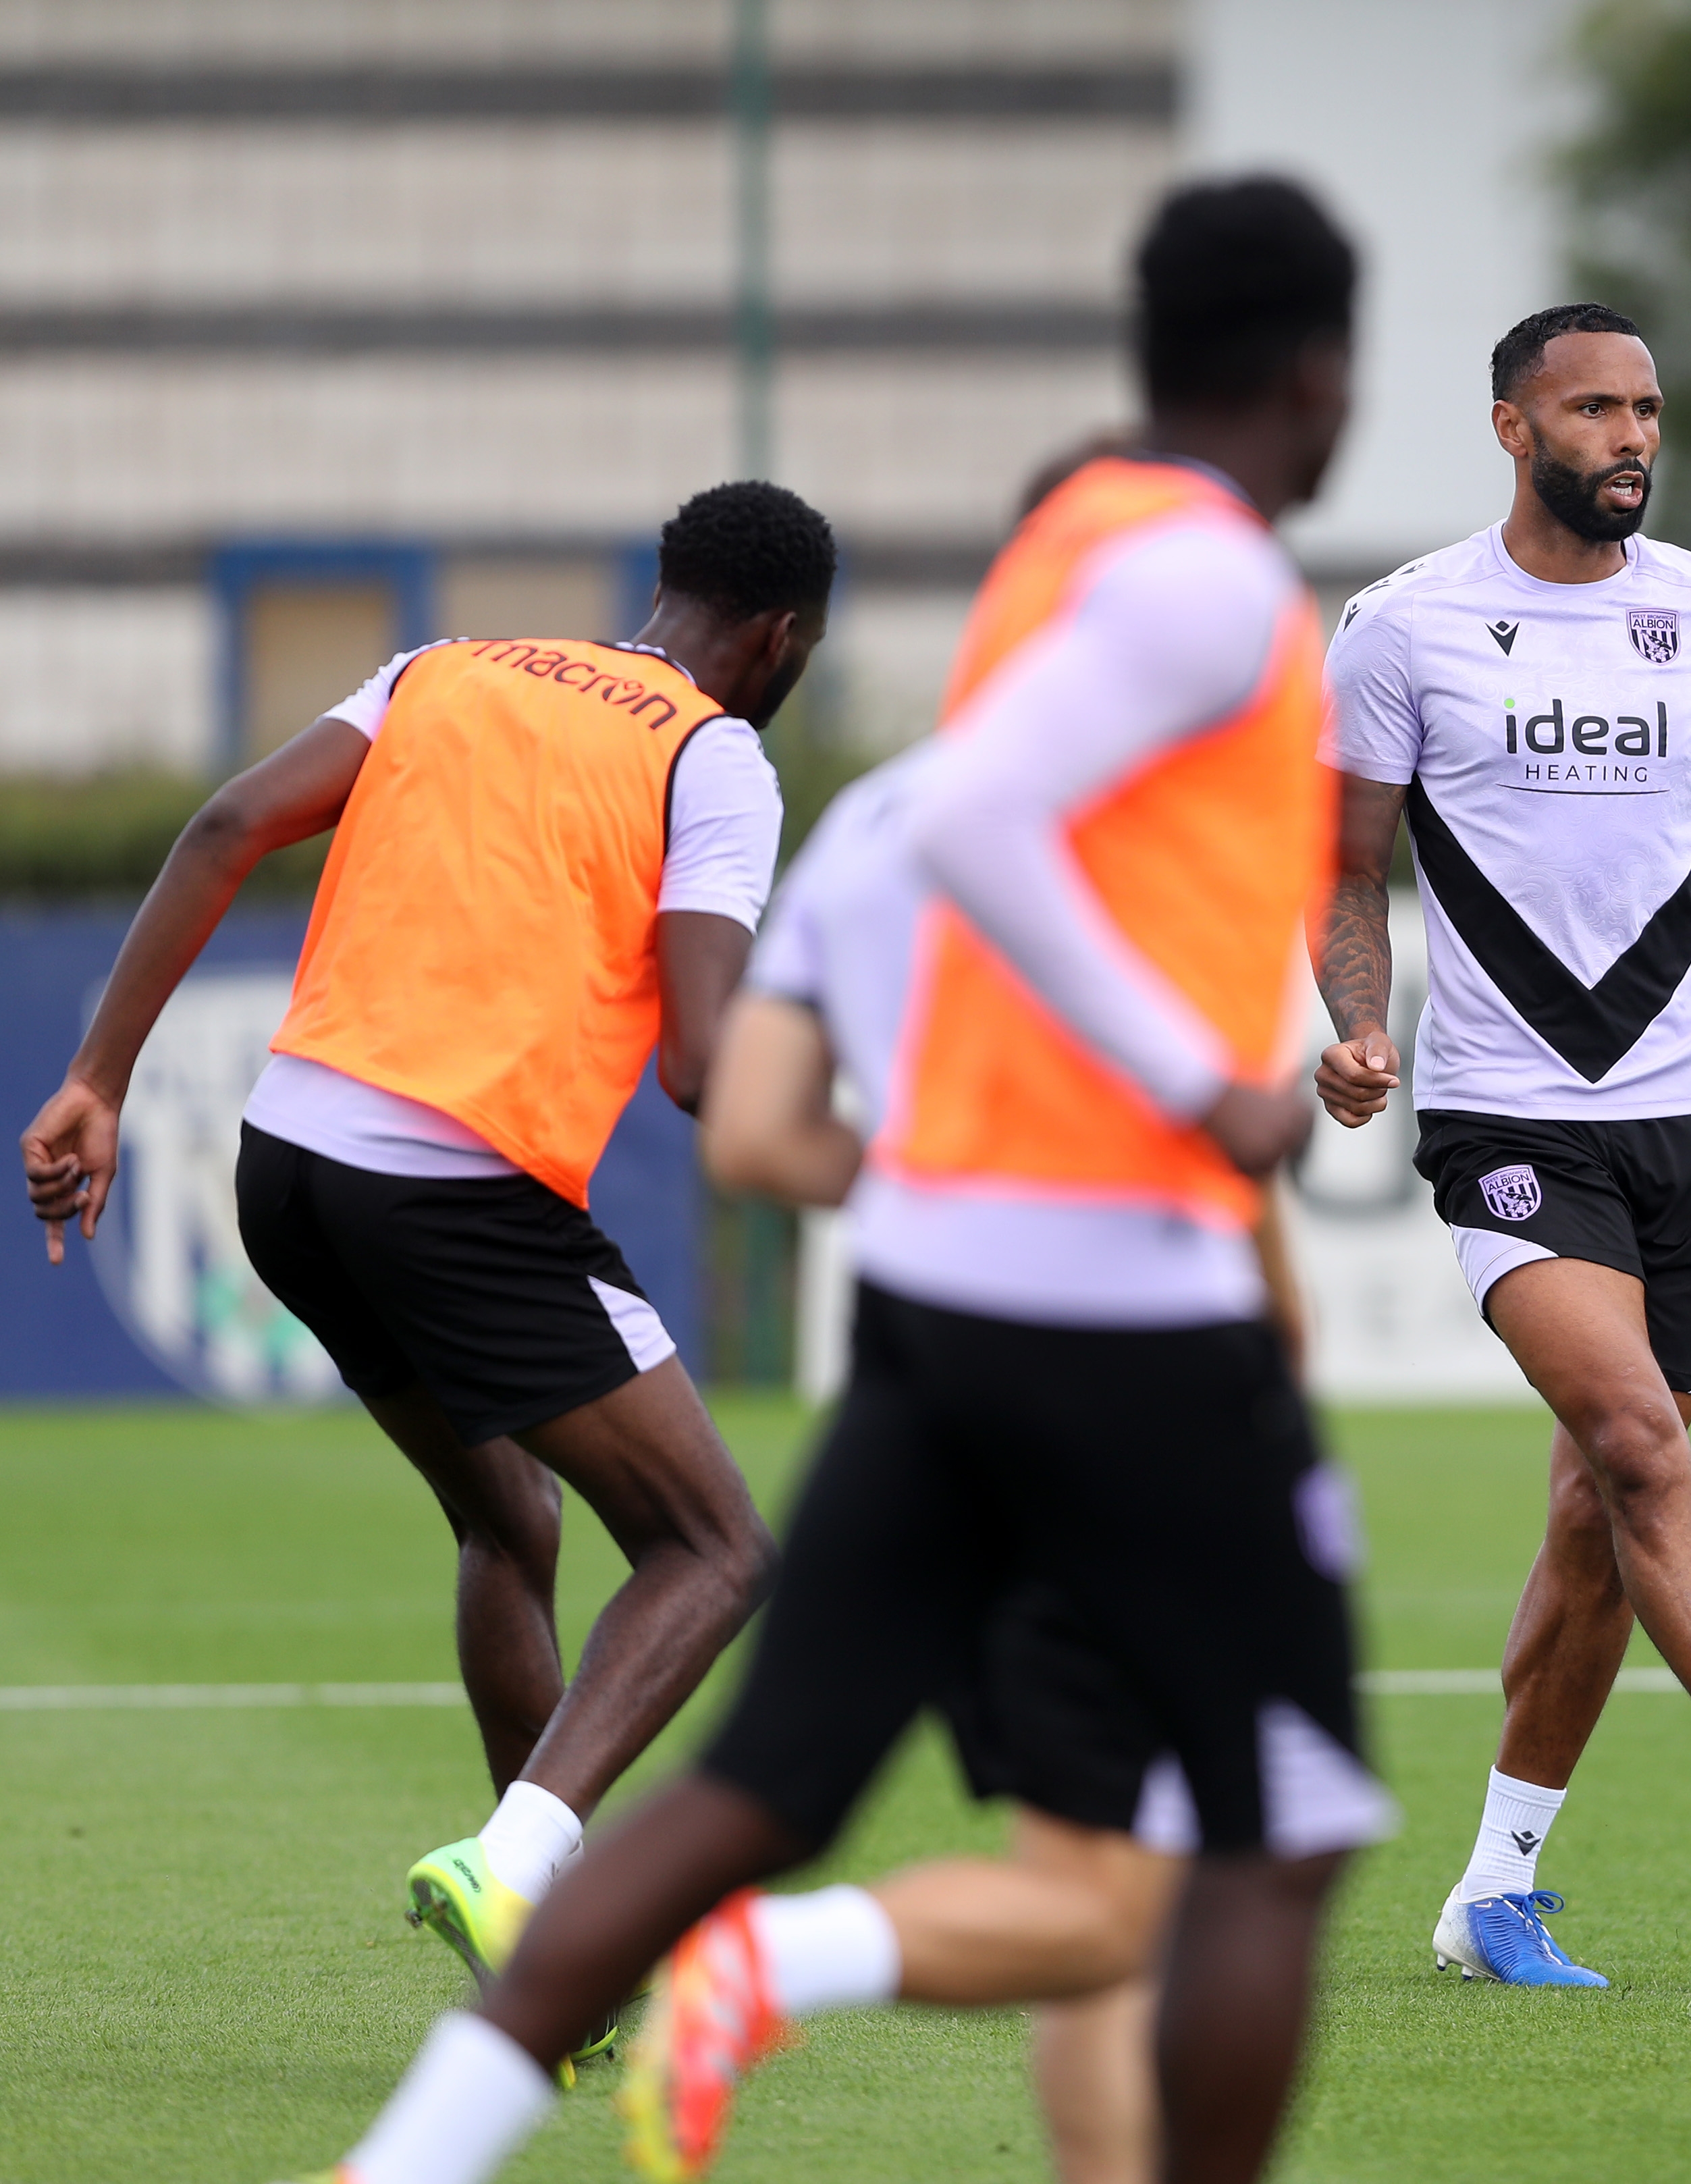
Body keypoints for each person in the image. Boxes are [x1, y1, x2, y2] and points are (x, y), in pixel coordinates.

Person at [290, 175, 1383, 2184]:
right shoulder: (1218, 585)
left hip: (937, 1294)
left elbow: (786, 1096)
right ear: (1326, 373)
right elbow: (989, 819)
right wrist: (1193, 1087)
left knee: (760, 1779)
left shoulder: (1062, 561)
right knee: (1279, 1824)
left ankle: (409, 2157)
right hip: (1126, 1299)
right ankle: (779, 1962)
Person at [20, 483, 832, 2062]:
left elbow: (224, 827)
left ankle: (545, 1959)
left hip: (288, 1165)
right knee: (714, 1547)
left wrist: (98, 1080)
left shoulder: (446, 666)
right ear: (780, 640)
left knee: (506, 1514)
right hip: (456, 1186)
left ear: (664, 586)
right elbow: (694, 1060)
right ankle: (522, 1866)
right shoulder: (712, 756)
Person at [1313, 302, 1691, 1989]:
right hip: (1503, 1118)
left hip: (1687, 1127)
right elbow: (1341, 865)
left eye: (1646, 410)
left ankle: (1494, 1892)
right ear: (1511, 427)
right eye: (1592, 410)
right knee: (1638, 1442)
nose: (1629, 437)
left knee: (1595, 1517)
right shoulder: (1404, 628)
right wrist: (1353, 1021)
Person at [686, 698, 1309, 2184]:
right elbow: (1214, 1151)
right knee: (1141, 1896)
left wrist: (939, 1198)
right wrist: (1278, 1362)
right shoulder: (1158, 835)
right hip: (1124, 1387)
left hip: (925, 1377)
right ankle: (773, 1959)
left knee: (1084, 1879)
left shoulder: (874, 819)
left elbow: (756, 1136)